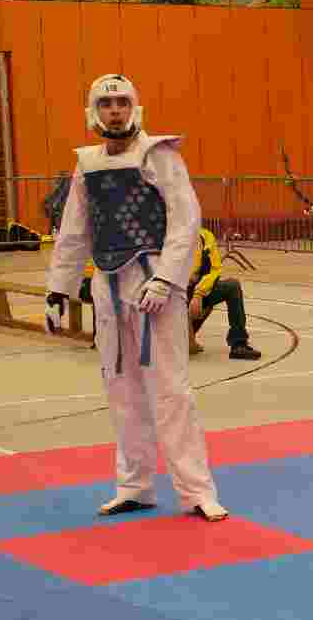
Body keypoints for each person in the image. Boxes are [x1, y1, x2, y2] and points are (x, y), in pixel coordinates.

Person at [43, 73, 227, 521]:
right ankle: (134, 485)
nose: (115, 111)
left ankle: (196, 491)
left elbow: (185, 219)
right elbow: (74, 230)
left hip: (152, 283)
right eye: (107, 105)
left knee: (170, 390)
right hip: (107, 284)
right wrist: (58, 289)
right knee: (121, 389)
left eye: (123, 103)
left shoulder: (159, 155)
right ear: (93, 112)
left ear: (135, 108)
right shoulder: (86, 165)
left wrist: (167, 279)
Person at [186, 226, 263, 359]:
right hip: (170, 294)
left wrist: (198, 294)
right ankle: (181, 339)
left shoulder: (205, 236)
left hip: (194, 290)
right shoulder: (163, 236)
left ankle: (239, 344)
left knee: (232, 286)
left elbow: (214, 270)